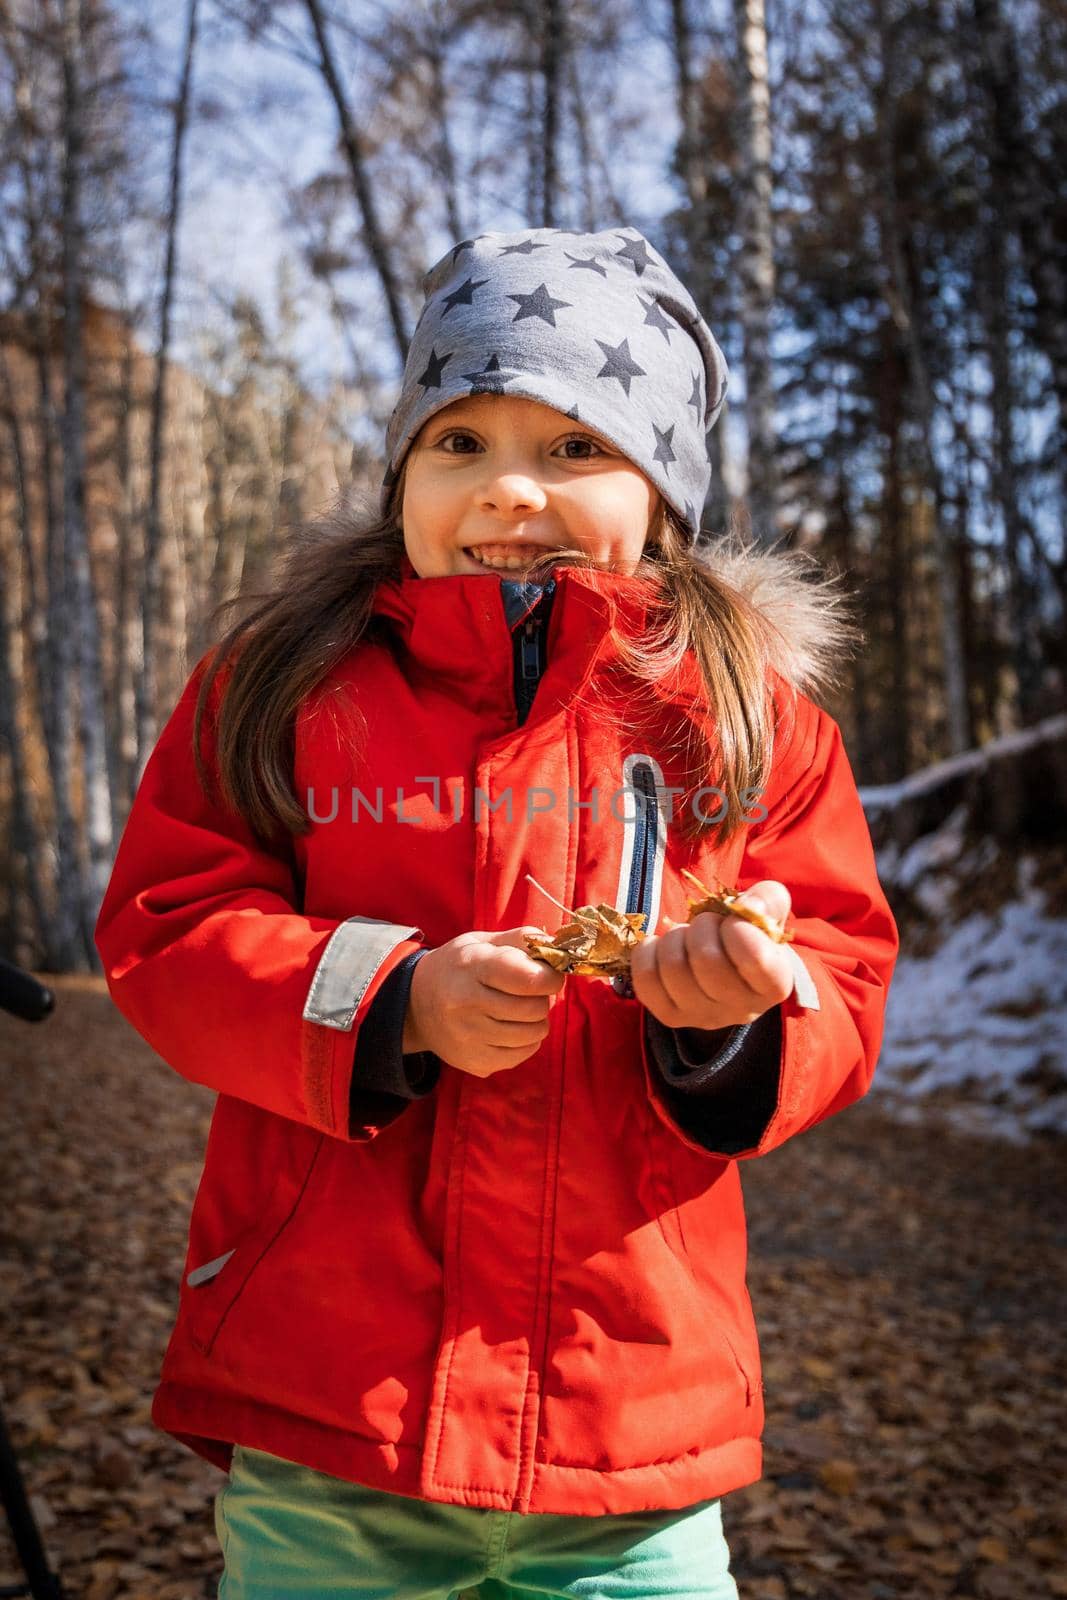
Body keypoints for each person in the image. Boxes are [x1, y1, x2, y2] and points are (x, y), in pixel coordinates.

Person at [95, 225, 898, 1599]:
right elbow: (170, 926)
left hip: (631, 1411)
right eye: (457, 442)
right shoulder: (288, 688)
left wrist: (735, 1022)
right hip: (336, 1406)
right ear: (402, 468)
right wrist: (390, 997)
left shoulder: (749, 717)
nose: (508, 490)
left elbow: (843, 962)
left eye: (574, 447)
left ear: (662, 485)